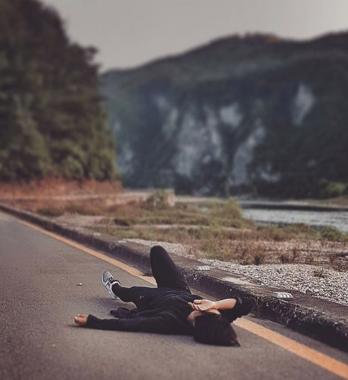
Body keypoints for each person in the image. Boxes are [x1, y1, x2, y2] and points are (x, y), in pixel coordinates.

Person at [74, 245, 253, 346]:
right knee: (157, 251)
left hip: (152, 299)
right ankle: (119, 288)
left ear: (196, 322)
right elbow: (247, 303)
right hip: (177, 288)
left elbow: (132, 324)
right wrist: (214, 305)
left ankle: (113, 287)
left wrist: (92, 321)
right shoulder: (215, 317)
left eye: (200, 311)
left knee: (128, 292)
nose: (199, 306)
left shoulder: (169, 321)